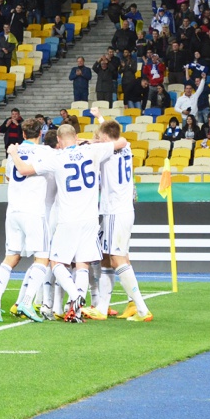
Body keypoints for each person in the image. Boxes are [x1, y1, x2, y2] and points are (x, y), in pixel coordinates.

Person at [9, 123, 129, 321]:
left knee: (56, 262)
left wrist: (14, 153)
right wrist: (90, 142)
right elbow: (122, 142)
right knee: (82, 264)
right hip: (90, 218)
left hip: (68, 219)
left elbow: (22, 169)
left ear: (58, 140)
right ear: (76, 136)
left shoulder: (57, 157)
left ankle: (74, 297)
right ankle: (77, 310)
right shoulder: (93, 150)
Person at [0, 118, 53, 323]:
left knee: (11, 258)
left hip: (13, 211)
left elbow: (9, 177)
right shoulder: (44, 152)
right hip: (33, 212)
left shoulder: (12, 153)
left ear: (23, 134)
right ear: (40, 133)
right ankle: (26, 301)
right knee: (42, 258)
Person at [91, 112, 152, 322]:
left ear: (105, 137)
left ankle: (142, 309)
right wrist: (100, 118)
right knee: (107, 256)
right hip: (124, 210)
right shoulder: (126, 147)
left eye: (100, 136)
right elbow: (113, 133)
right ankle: (103, 307)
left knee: (117, 259)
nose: (98, 139)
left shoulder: (106, 152)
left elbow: (101, 142)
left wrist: (86, 141)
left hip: (114, 211)